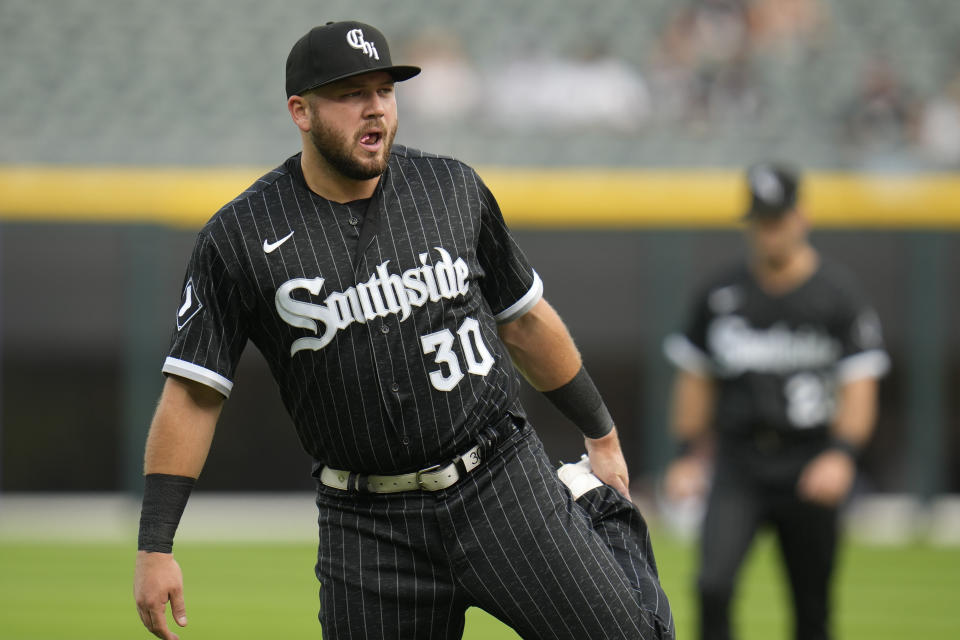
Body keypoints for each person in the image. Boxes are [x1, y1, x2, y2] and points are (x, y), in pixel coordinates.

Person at [132, 20, 673, 640]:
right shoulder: (240, 236)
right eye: (350, 93)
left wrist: (600, 432)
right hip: (366, 526)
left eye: (385, 90)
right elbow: (194, 393)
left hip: (499, 484)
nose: (375, 109)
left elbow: (523, 320)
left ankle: (598, 519)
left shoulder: (450, 188)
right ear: (299, 111)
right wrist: (155, 544)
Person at [662, 162, 889, 640]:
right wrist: (687, 455)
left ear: (800, 217)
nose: (769, 234)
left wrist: (842, 456)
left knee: (812, 607)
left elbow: (860, 386)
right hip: (739, 462)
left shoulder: (836, 294)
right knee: (712, 586)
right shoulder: (722, 293)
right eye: (760, 222)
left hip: (809, 461)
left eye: (777, 220)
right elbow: (695, 380)